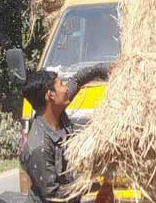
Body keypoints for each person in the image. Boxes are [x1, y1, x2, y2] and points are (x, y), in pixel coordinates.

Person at [20, 65, 111, 203]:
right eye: (61, 85)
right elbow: (54, 195)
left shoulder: (57, 112)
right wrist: (90, 190)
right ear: (50, 95)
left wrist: (105, 69)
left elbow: (78, 79)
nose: (66, 88)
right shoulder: (39, 146)